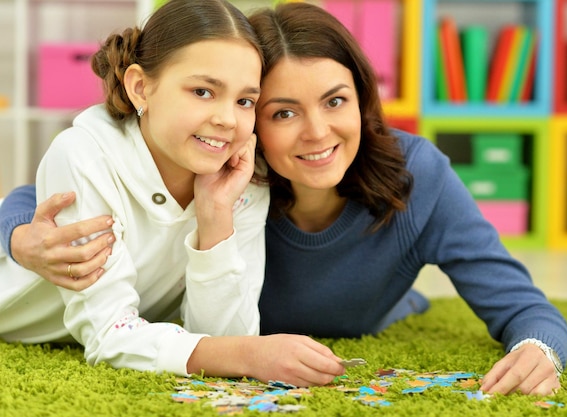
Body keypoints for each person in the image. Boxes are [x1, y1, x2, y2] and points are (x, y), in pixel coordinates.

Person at [1, 2, 567, 396]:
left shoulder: (413, 173)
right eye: (282, 112)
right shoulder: (232, 168)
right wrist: (18, 238)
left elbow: (522, 303)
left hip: (371, 309)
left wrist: (541, 350)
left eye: (335, 100)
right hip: (90, 316)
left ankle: (400, 301)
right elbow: (44, 191)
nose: (318, 133)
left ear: (363, 99)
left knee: (387, 306)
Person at [0, 0, 345, 387]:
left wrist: (216, 213)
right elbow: (107, 333)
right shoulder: (84, 155)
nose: (227, 119)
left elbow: (225, 339)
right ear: (141, 87)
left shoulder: (243, 176)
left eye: (244, 100)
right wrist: (251, 353)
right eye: (202, 91)